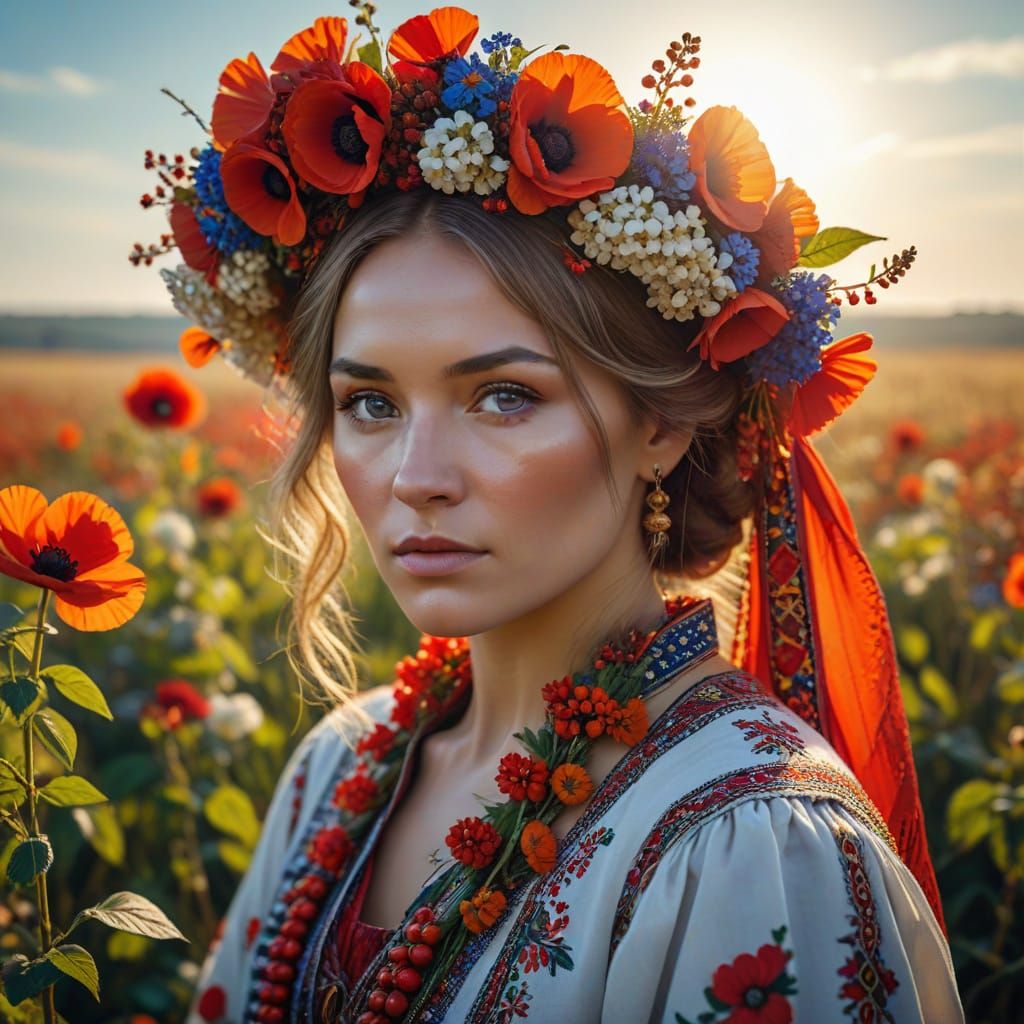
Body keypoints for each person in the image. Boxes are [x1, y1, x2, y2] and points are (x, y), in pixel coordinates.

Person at [144, 8, 965, 1022]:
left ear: (659, 424)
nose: (416, 475)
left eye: (503, 397)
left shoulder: (758, 840)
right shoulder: (338, 769)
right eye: (369, 404)